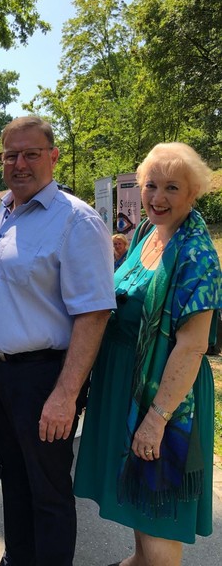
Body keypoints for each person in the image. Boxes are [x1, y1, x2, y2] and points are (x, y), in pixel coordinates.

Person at [0, 115, 116, 566]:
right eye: (11, 154)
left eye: (31, 153)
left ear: (52, 157)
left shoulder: (76, 220)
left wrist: (65, 395)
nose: (20, 163)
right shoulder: (3, 213)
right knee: (13, 478)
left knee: (48, 491)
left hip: (43, 378)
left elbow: (93, 313)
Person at [74, 142, 222, 566]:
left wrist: (156, 421)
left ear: (193, 194)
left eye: (172, 188)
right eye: (151, 185)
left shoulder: (197, 255)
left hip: (165, 400)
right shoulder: (146, 235)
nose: (158, 198)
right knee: (136, 503)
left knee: (158, 515)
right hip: (127, 385)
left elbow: (193, 345)